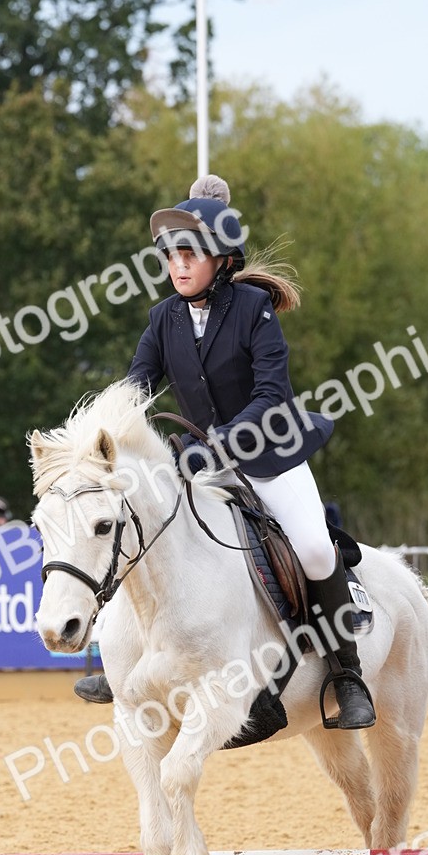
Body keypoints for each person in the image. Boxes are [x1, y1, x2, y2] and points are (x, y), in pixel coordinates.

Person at [74, 175, 375, 731]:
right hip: (200, 463)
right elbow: (136, 386)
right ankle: (119, 662)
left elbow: (268, 396)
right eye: (171, 256)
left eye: (189, 255)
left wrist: (214, 446)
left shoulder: (255, 309)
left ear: (220, 260)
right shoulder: (163, 318)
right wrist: (102, 437)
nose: (178, 266)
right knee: (141, 529)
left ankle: (346, 673)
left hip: (270, 455)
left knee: (310, 546)